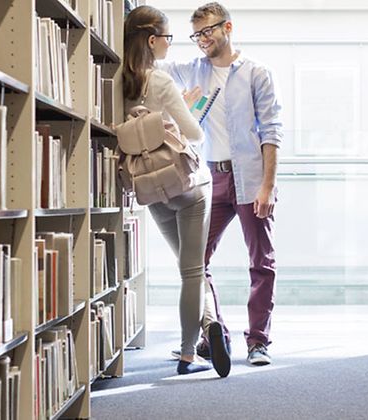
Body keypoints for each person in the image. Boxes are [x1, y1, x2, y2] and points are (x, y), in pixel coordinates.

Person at [161, 2, 283, 366]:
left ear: (227, 28)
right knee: (195, 258)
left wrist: (267, 186)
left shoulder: (256, 73)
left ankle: (258, 342)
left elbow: (271, 132)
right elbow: (151, 68)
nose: (202, 40)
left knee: (261, 262)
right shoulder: (192, 70)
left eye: (208, 31)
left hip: (250, 177)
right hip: (210, 178)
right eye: (196, 34)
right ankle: (215, 336)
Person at [122, 5, 230, 377]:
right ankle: (188, 354)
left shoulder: (118, 83)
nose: (170, 43)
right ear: (152, 40)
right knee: (193, 271)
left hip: (151, 189)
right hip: (187, 186)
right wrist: (185, 108)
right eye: (168, 37)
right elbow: (194, 134)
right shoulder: (161, 81)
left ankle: (210, 323)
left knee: (187, 267)